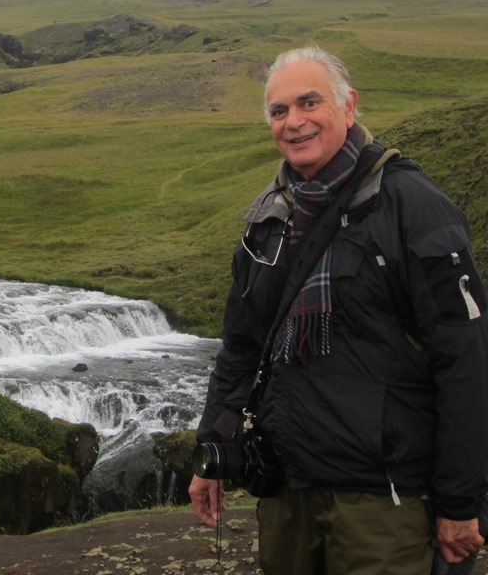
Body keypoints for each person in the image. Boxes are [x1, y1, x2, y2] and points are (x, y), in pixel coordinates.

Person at [189, 46, 488, 574]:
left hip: (384, 503)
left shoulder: (412, 206)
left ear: (349, 107)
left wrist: (462, 502)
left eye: (309, 103)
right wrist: (211, 450)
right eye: (279, 111)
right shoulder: (269, 217)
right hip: (287, 493)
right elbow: (240, 347)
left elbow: (466, 361)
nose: (294, 122)